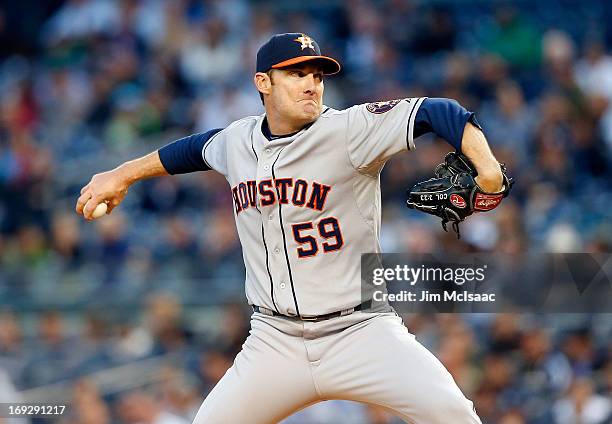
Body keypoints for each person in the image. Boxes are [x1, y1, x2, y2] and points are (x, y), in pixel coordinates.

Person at [77, 33, 504, 423]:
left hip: (361, 331)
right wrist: (122, 174)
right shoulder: (237, 141)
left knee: (455, 415)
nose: (311, 84)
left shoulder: (350, 130)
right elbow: (188, 152)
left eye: (317, 75)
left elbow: (439, 112)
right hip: (274, 341)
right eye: (297, 74)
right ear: (263, 82)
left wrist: (489, 174)